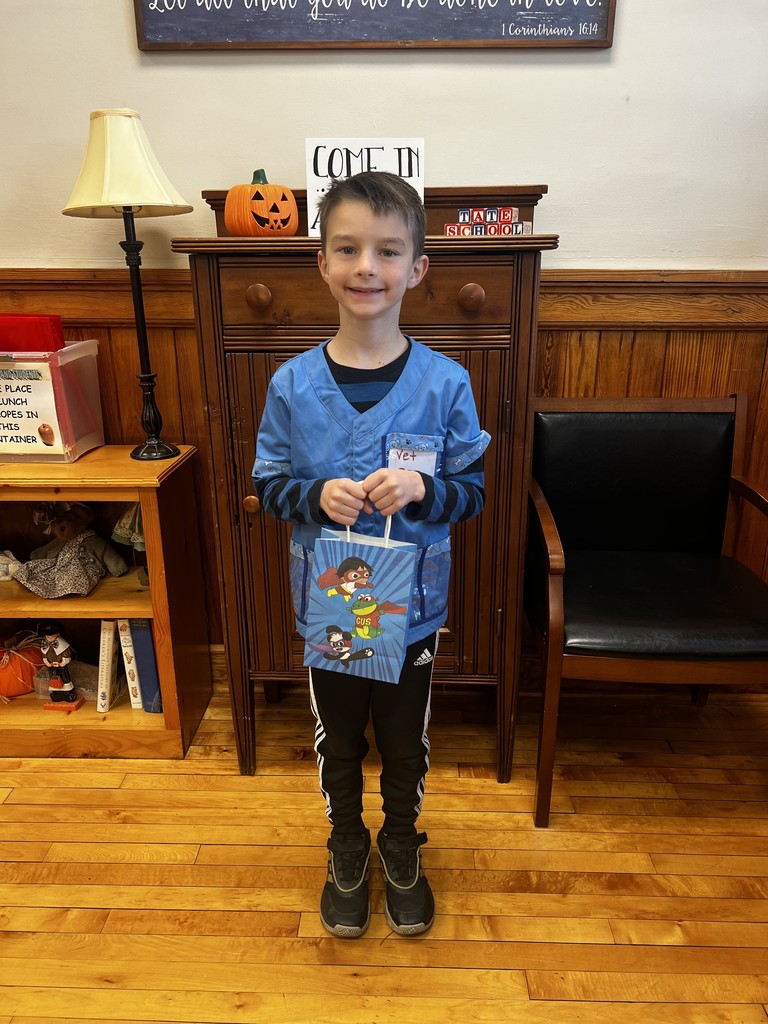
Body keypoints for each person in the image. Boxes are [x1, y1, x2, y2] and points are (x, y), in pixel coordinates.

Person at [252, 171, 490, 939]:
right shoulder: (291, 384)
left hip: (412, 609)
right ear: (321, 261)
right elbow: (267, 485)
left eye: (388, 251)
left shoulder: (446, 384)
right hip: (334, 603)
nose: (367, 266)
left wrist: (424, 489)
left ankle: (399, 843)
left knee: (403, 739)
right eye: (347, 248)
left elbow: (473, 492)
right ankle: (345, 843)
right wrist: (315, 495)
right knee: (340, 736)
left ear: (417, 268)